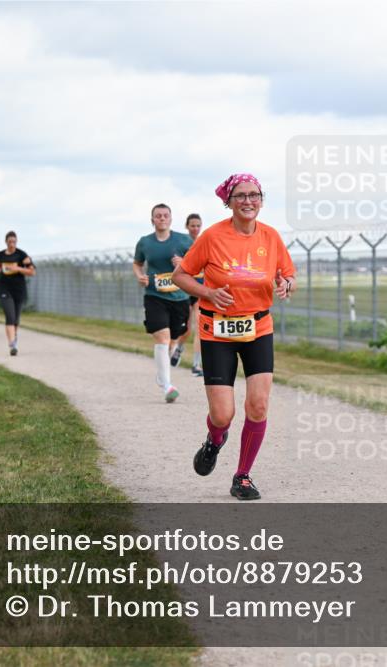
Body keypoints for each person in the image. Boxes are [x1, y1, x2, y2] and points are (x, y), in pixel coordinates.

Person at [172, 173, 296, 500]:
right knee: (223, 414)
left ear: (262, 199)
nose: (248, 201)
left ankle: (242, 476)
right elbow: (180, 275)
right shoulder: (212, 237)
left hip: (258, 327)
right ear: (228, 201)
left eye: (254, 195)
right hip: (218, 330)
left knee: (258, 404)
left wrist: (286, 284)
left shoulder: (270, 237)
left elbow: (287, 273)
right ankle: (214, 440)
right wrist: (208, 293)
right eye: (240, 195)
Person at [133, 203, 194, 403]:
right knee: (163, 338)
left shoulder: (184, 240)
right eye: (157, 216)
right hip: (154, 296)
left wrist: (183, 264)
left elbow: (198, 263)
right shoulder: (145, 243)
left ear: (170, 219)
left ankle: (162, 373)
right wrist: (140, 276)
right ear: (152, 220)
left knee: (175, 338)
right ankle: (167, 386)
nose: (161, 218)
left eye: (165, 215)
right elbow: (137, 263)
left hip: (180, 297)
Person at [0, 231, 35, 356]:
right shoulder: (0, 255)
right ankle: (12, 344)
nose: (12, 244)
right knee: (9, 316)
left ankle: (14, 337)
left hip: (19, 290)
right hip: (5, 288)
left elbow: (32, 272)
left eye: (14, 242)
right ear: (6, 242)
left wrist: (18, 269)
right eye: (9, 242)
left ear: (16, 242)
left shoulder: (22, 255)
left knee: (16, 319)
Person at [176, 213, 206, 377]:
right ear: (187, 226)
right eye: (192, 225)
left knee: (200, 328)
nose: (195, 228)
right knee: (187, 329)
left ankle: (196, 364)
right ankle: (179, 348)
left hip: (200, 290)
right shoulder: (181, 244)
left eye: (198, 225)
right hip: (185, 291)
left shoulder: (204, 242)